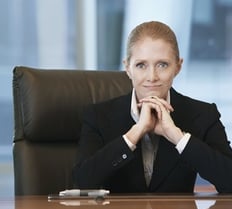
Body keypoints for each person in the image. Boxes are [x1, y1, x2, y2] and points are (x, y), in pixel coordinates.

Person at [73, 21, 232, 193]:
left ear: (178, 67)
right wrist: (135, 133)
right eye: (141, 65)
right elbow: (83, 182)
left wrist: (178, 137)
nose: (152, 77)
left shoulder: (203, 115)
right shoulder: (98, 115)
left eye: (162, 65)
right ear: (127, 68)